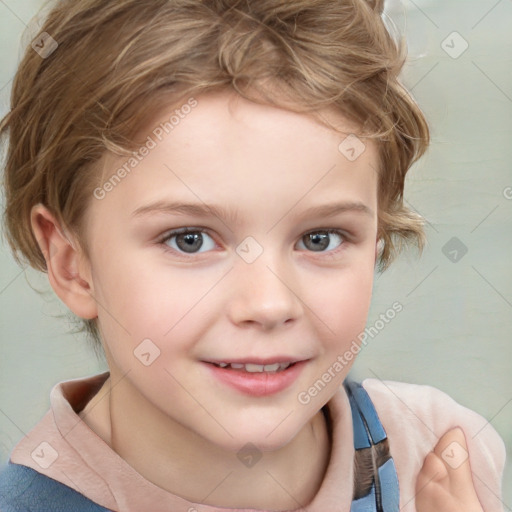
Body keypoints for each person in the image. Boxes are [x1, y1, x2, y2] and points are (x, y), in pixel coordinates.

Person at [0, 0, 505, 510]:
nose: (268, 304)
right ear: (71, 263)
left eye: (319, 238)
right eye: (189, 239)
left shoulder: (437, 454)